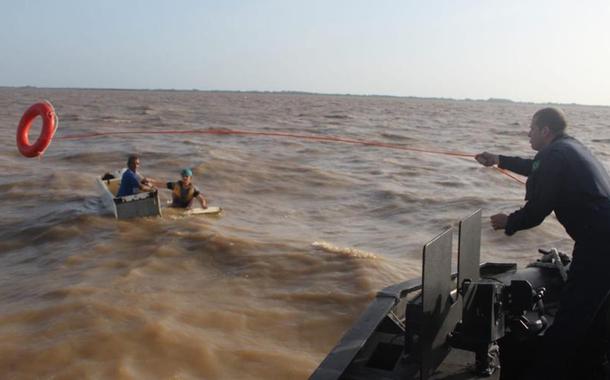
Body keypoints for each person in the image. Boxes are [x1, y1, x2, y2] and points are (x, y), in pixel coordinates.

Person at [476, 107, 610, 379]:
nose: (528, 133)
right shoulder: (568, 148)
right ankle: (593, 366)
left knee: (572, 315)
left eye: (532, 128)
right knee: (598, 312)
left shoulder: (555, 155)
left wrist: (508, 222)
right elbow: (535, 166)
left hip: (599, 243)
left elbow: (538, 210)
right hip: (602, 238)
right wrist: (498, 159)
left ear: (545, 131)